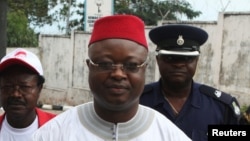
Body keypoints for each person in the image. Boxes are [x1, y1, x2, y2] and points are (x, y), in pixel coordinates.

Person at [30, 15, 191, 141]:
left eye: (131, 65)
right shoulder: (52, 135)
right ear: (89, 66)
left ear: (144, 69)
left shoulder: (169, 136)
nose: (118, 74)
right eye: (105, 64)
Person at [139, 24, 241, 141]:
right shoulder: (137, 102)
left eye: (187, 58)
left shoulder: (221, 108)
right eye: (170, 58)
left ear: (196, 60)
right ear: (158, 60)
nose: (178, 64)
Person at [0, 48, 56, 141]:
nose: (15, 94)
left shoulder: (58, 128)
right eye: (8, 86)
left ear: (39, 89)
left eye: (24, 87)